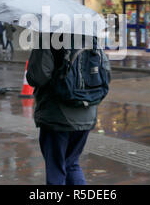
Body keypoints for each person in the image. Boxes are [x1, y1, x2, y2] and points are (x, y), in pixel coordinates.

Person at [26, 35, 111, 185]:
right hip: (86, 113)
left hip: (58, 115)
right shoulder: (91, 38)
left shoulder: (48, 37)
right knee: (71, 164)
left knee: (56, 169)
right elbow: (105, 73)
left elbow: (38, 76)